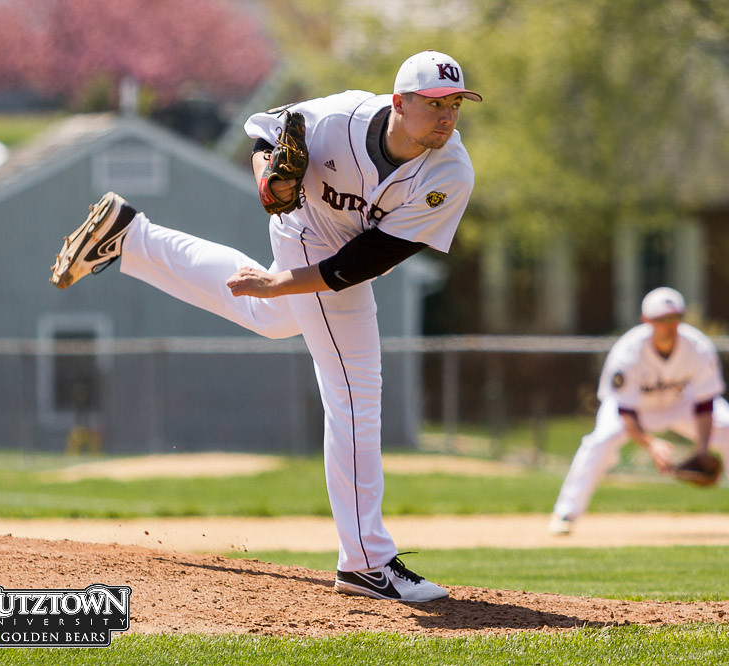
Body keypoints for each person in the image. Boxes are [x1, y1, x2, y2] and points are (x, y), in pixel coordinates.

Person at [49, 50, 482, 602]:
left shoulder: (450, 172)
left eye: (455, 105)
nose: (447, 116)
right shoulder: (337, 119)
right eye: (434, 104)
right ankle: (365, 562)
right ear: (399, 102)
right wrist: (266, 182)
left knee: (271, 314)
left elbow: (369, 261)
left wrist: (283, 284)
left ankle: (131, 236)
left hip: (348, 252)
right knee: (355, 391)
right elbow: (264, 135)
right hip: (306, 227)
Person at [549, 287, 729, 536]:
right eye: (661, 319)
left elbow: (704, 403)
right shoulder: (627, 352)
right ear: (646, 321)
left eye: (674, 318)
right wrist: (650, 444)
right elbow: (625, 411)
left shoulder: (698, 347)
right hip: (636, 409)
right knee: (601, 440)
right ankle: (566, 512)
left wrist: (702, 449)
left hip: (682, 404)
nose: (668, 325)